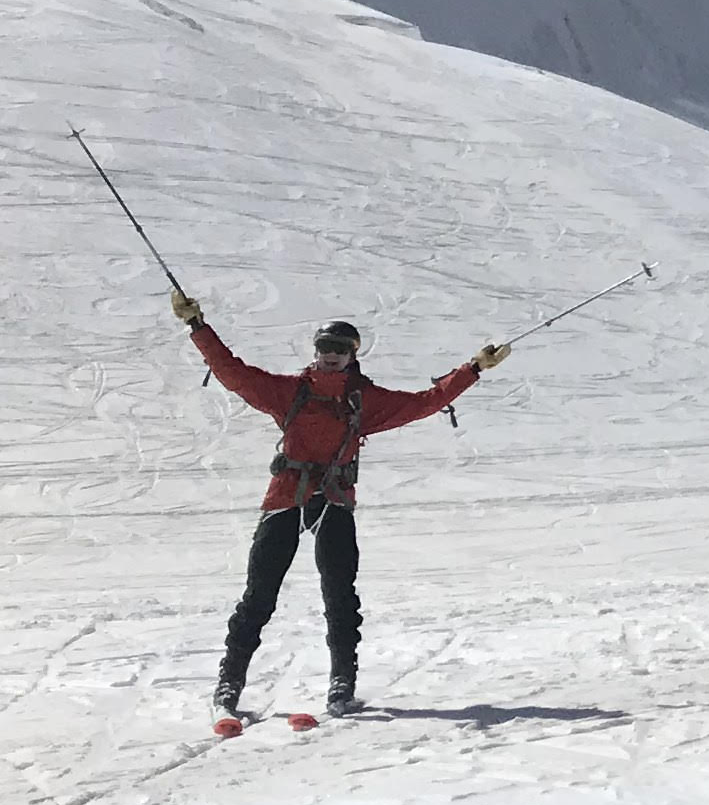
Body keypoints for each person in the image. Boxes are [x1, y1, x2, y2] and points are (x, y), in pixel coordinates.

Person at [179, 298, 503, 726]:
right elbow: (233, 373)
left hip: (333, 499)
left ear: (353, 354)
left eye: (340, 347)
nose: (331, 354)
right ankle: (229, 683)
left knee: (340, 596)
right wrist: (198, 326)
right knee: (259, 595)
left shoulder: (363, 400)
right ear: (315, 351)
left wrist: (473, 368)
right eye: (325, 346)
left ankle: (341, 684)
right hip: (286, 497)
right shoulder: (291, 391)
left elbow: (425, 402)